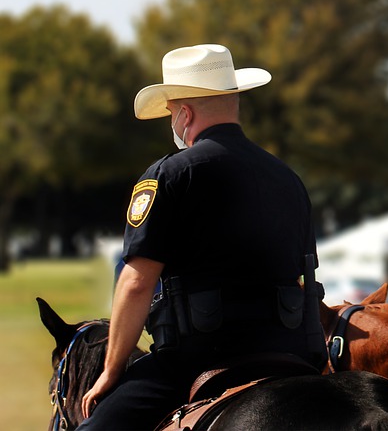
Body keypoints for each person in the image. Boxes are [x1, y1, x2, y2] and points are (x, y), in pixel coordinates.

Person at [80, 44, 325, 429]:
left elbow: (136, 283)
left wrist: (110, 372)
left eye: (169, 113)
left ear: (184, 114)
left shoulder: (170, 175)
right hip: (291, 353)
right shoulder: (288, 178)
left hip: (197, 358)